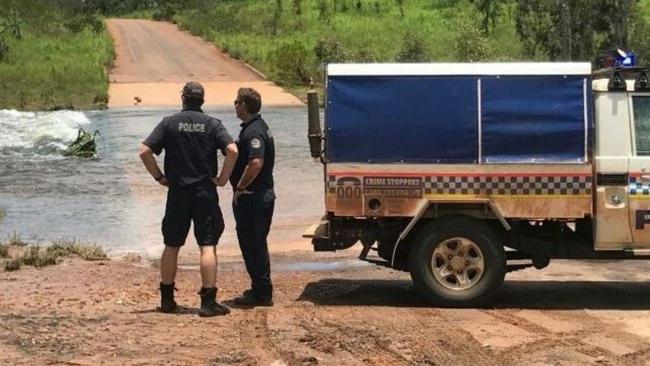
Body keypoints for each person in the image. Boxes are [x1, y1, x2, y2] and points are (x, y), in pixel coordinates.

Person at [138, 81, 238, 317]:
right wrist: (223, 179)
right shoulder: (213, 124)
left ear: (183, 98)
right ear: (202, 100)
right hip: (204, 192)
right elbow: (232, 150)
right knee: (207, 245)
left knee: (171, 245)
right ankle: (208, 301)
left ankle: (167, 299)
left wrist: (159, 177)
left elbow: (144, 151)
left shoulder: (169, 123)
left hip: (177, 192)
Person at [230, 87, 275, 307]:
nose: (234, 105)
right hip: (261, 195)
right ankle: (260, 288)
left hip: (253, 197)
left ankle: (262, 293)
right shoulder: (257, 127)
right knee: (256, 243)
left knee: (252, 243)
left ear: (244, 106)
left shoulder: (254, 132)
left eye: (236, 102)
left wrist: (240, 187)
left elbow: (256, 163)